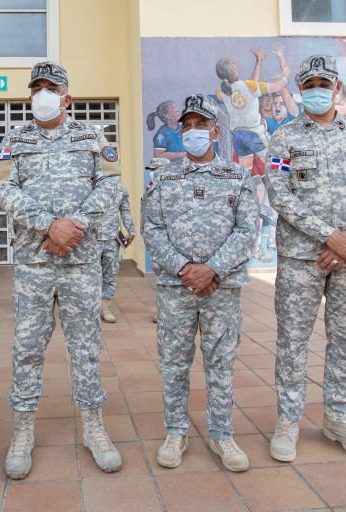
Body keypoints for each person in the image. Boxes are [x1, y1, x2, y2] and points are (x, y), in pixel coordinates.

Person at [0, 61, 122, 479]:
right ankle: (22, 431)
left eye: (52, 87)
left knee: (86, 348)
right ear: (30, 95)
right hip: (33, 263)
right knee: (27, 348)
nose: (43, 94)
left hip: (80, 261)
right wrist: (49, 226)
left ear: (67, 96)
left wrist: (73, 226)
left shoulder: (93, 136)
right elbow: (3, 187)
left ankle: (94, 428)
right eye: (37, 88)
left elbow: (111, 184)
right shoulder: (13, 139)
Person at [265, 54, 346, 463]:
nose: (318, 91)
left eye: (325, 84)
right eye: (310, 85)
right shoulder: (284, 138)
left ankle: (338, 419)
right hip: (302, 258)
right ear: (300, 90)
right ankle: (288, 422)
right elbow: (279, 193)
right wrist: (328, 236)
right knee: (292, 341)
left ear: (337, 88)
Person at [142, 93, 258, 472]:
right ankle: (176, 432)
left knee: (220, 364)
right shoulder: (164, 177)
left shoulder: (237, 177)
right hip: (176, 289)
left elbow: (247, 230)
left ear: (215, 131)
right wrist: (185, 269)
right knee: (174, 364)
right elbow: (152, 229)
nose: (192, 130)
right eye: (187, 125)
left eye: (200, 125)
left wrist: (213, 269)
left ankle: (222, 435)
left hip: (221, 288)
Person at [215, 48, 291, 263]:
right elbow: (276, 86)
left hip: (238, 135)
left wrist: (259, 61)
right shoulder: (248, 86)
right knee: (277, 165)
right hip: (255, 133)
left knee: (247, 176)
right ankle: (273, 197)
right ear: (235, 69)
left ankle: (253, 205)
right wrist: (286, 75)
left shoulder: (223, 91)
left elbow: (251, 86)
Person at [97, 175, 135, 322]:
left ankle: (105, 306)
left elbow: (125, 210)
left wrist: (131, 231)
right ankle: (89, 307)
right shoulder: (90, 186)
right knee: (88, 274)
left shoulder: (120, 188)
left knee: (110, 274)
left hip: (112, 239)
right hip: (91, 239)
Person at [143, 157, 169, 324]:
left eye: (156, 169)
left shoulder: (169, 189)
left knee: (166, 279)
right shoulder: (152, 187)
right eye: (151, 169)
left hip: (165, 241)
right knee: (160, 278)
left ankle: (164, 313)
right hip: (153, 239)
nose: (152, 172)